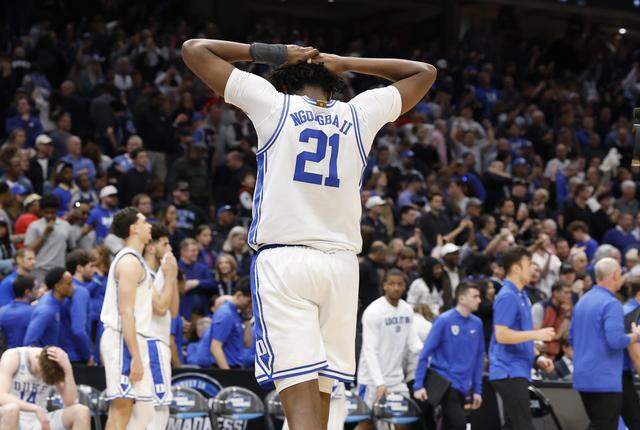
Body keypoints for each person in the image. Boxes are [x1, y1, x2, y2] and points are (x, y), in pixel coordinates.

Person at [182, 36, 436, 429]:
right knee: (322, 410)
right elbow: (424, 72)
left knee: (300, 413)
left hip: (286, 263)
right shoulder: (359, 113)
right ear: (332, 83)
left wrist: (276, 53)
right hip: (340, 267)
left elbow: (194, 49)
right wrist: (346, 61)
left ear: (285, 82)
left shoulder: (273, 103)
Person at [489, 246, 555, 430]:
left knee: (514, 424)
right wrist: (537, 334)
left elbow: (519, 336)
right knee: (523, 425)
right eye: (529, 264)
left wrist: (537, 358)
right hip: (508, 370)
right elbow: (501, 335)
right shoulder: (508, 296)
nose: (534, 268)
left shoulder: (522, 295)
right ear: (516, 268)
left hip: (518, 368)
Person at [100, 207, 155, 430]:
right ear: (134, 228)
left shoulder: (136, 260)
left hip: (131, 338)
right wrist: (135, 356)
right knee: (121, 410)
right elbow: (125, 312)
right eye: (145, 221)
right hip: (123, 339)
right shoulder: (129, 262)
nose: (149, 225)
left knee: (138, 410)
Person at [570, 258, 640, 430]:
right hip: (605, 378)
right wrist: (634, 336)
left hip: (582, 376)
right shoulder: (611, 303)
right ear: (615, 275)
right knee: (605, 425)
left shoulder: (582, 301)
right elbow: (616, 341)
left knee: (599, 424)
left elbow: (571, 338)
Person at [413, 282, 484, 430]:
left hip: (464, 385)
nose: (479, 300)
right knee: (459, 425)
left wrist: (477, 390)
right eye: (475, 296)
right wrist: (418, 385)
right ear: (462, 298)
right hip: (445, 383)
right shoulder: (444, 320)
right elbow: (425, 353)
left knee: (448, 425)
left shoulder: (477, 324)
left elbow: (478, 359)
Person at [356, 269, 414, 430]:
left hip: (396, 379)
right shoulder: (373, 312)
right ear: (384, 286)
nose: (396, 287)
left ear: (404, 286)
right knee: (366, 424)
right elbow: (369, 351)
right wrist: (379, 383)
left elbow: (414, 344)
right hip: (370, 380)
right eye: (392, 284)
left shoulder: (407, 310)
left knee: (402, 423)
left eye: (400, 284)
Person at [142, 223, 179, 430]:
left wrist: (170, 276)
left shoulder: (159, 274)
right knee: (158, 408)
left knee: (157, 409)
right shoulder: (143, 273)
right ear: (151, 247)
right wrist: (171, 276)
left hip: (160, 342)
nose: (169, 249)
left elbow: (173, 311)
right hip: (151, 342)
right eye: (165, 244)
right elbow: (161, 307)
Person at [0, 346, 90, 430]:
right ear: (37, 358)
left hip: (39, 419)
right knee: (11, 409)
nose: (39, 377)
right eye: (39, 373)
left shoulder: (53, 364)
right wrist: (35, 408)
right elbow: (2, 396)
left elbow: (71, 402)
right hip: (14, 417)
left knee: (81, 411)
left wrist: (67, 368)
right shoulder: (13, 356)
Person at [192, 279, 253, 368]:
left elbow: (247, 343)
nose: (250, 306)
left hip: (235, 366)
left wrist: (247, 319)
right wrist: (227, 375)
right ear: (239, 295)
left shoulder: (237, 313)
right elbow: (215, 347)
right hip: (225, 368)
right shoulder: (226, 313)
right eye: (249, 301)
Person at [25, 194, 74, 282]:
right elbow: (28, 251)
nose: (50, 216)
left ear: (57, 211)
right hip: (39, 271)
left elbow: (72, 247)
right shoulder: (34, 226)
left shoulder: (66, 225)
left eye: (53, 212)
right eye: (46, 213)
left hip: (59, 272)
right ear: (41, 211)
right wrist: (45, 233)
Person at [23, 268, 74, 347]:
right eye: (69, 284)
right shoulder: (46, 311)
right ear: (57, 286)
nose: (73, 287)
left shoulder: (62, 301)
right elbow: (29, 343)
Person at [61, 250, 93, 364]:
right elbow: (78, 330)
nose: (93, 270)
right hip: (76, 356)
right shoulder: (79, 291)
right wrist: (88, 355)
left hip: (64, 354)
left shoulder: (64, 288)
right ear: (79, 268)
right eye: (91, 266)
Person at [0, 275, 35, 348]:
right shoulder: (33, 313)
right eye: (35, 289)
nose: (37, 291)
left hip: (6, 356)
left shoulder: (2, 311)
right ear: (27, 292)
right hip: (27, 356)